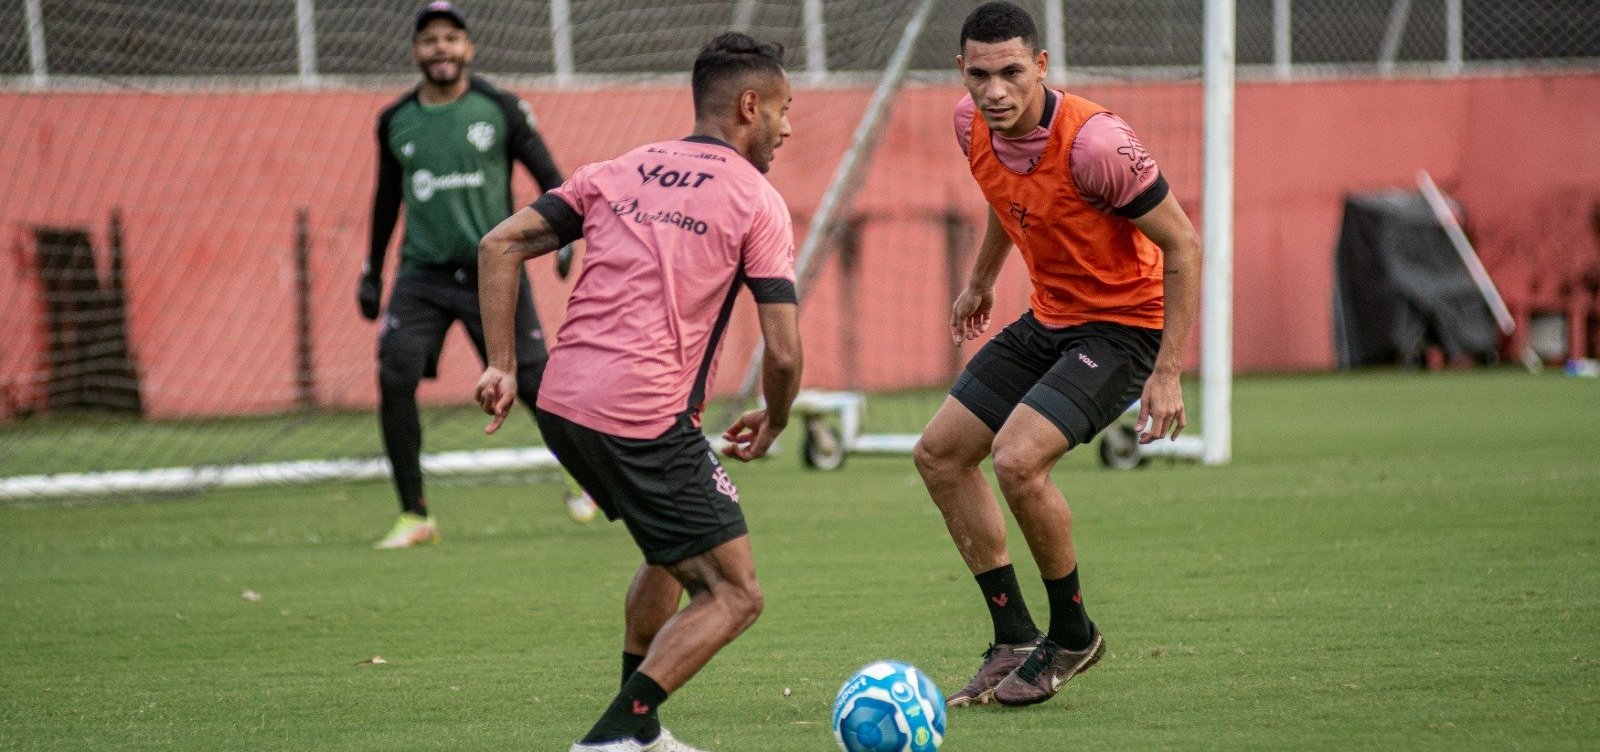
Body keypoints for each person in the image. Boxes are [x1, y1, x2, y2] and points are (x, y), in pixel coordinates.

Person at [474, 32, 800, 752]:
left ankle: (644, 737)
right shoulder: (756, 199)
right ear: (750, 106)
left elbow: (499, 245)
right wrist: (775, 420)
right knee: (735, 593)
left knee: (668, 552)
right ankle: (613, 737)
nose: (787, 126)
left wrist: (501, 364)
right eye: (782, 109)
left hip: (561, 404)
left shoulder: (620, 170)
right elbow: (782, 350)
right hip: (642, 418)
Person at [914, 1, 1202, 708]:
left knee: (1017, 459)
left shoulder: (1097, 145)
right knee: (940, 454)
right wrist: (980, 280)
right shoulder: (969, 122)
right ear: (962, 71)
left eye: (1012, 71)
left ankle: (1072, 635)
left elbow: (1185, 246)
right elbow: (1003, 196)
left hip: (1123, 330)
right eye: (980, 74)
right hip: (1050, 321)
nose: (995, 90)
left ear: (1041, 66)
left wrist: (1166, 373)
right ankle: (1012, 637)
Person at [361, 1, 595, 549]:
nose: (440, 48)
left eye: (450, 38)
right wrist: (372, 272)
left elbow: (552, 179)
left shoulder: (500, 109)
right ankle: (415, 515)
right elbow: (385, 199)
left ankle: (581, 476)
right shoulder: (395, 120)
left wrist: (563, 239)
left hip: (494, 272)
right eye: (429, 40)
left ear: (469, 48)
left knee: (537, 385)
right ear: (415, 52)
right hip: (421, 275)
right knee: (394, 374)